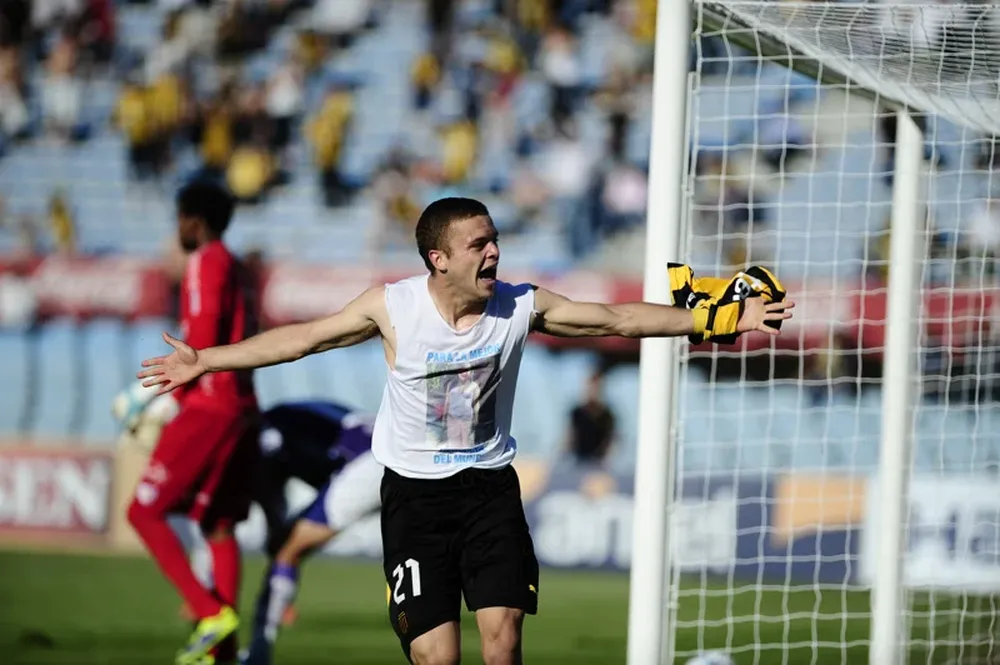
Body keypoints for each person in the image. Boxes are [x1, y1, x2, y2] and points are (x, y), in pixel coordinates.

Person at [137, 197, 793, 665]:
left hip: (487, 492)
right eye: (479, 243)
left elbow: (614, 316)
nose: (494, 251)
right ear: (438, 258)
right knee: (434, 652)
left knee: (502, 638)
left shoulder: (518, 305)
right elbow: (302, 339)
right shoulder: (392, 307)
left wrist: (718, 320)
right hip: (414, 499)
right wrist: (205, 358)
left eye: (495, 239)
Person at [127, 180, 260, 665]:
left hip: (211, 403)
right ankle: (221, 652)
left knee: (143, 512)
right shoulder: (240, 266)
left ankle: (207, 613)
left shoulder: (205, 260)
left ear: (192, 220)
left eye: (179, 217)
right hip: (244, 405)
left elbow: (198, 342)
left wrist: (166, 399)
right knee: (217, 524)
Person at [240, 400, 382, 665]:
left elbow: (271, 496)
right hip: (400, 456)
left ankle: (258, 652)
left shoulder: (267, 430)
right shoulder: (300, 410)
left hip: (365, 466)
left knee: (287, 551)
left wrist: (276, 533)